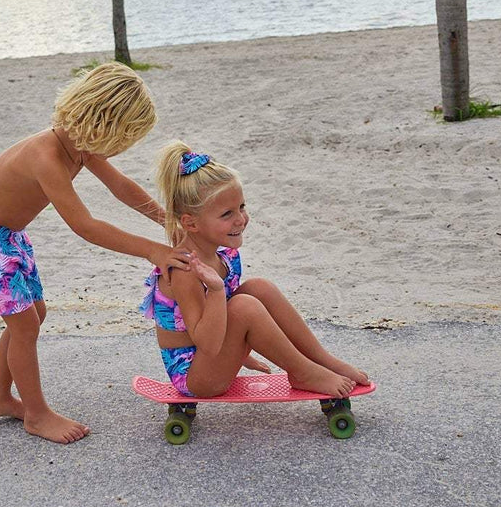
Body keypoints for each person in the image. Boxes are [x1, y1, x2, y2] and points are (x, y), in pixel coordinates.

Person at [0, 63, 194, 444]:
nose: (118, 151)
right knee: (24, 325)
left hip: (8, 236)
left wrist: (163, 219)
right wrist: (154, 251)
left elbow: (121, 186)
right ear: (103, 127)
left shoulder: (79, 145)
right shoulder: (46, 156)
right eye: (122, 141)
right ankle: (36, 415)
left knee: (34, 315)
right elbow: (84, 225)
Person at [140, 141, 371, 398]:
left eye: (242, 207)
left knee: (259, 288)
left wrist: (240, 347)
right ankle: (303, 371)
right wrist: (216, 289)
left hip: (213, 358)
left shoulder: (222, 255)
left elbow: (226, 320)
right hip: (195, 377)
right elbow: (207, 342)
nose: (241, 219)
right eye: (227, 214)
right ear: (190, 223)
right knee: (245, 306)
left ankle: (322, 360)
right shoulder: (184, 272)